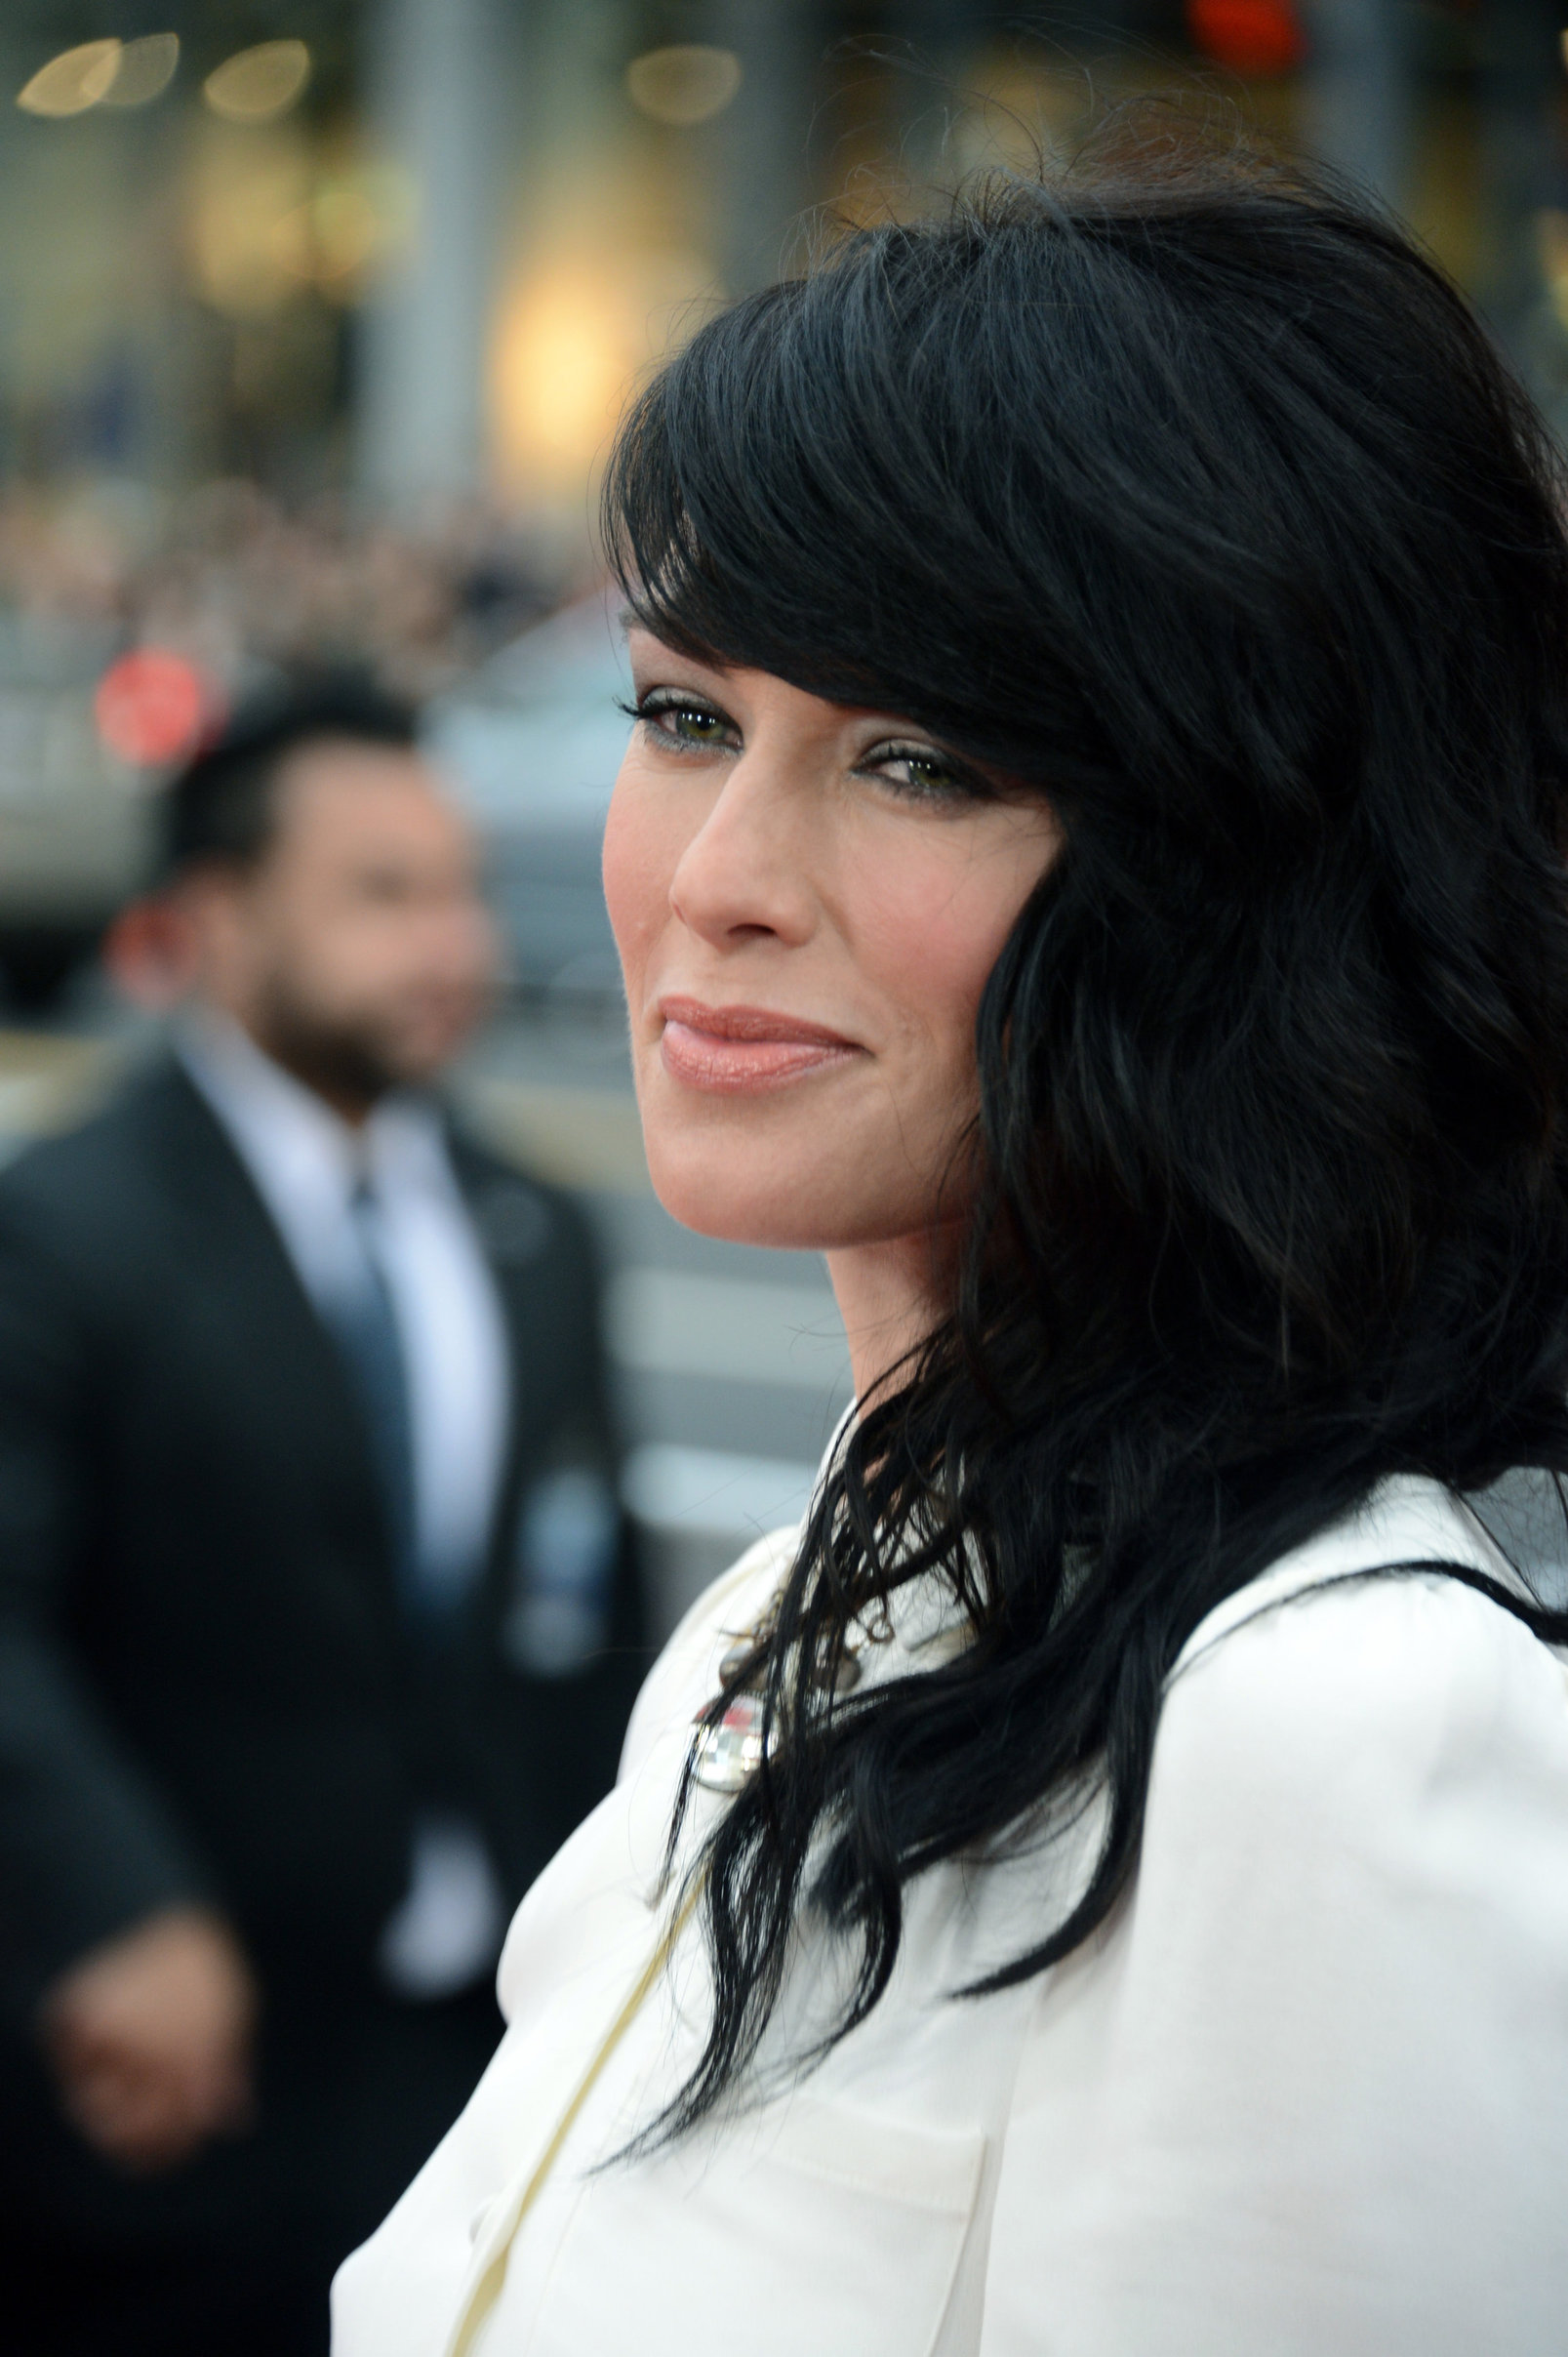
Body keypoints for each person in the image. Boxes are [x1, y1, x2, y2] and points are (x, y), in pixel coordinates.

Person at [334, 143, 1568, 2356]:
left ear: (1245, 868)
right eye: (685, 715)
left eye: (917, 760)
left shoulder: (1333, 1723)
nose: (715, 872)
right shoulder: (823, 1576)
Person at [0, 675, 643, 2356]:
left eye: (454, 887)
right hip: (170, 2059)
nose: (448, 941)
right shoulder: (60, 1228)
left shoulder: (535, 1228)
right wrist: (109, 1914)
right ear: (214, 918)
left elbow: (586, 1615)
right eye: (381, 892)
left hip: (477, 2055)